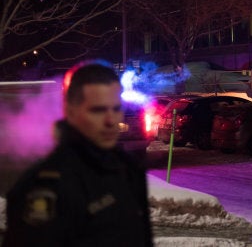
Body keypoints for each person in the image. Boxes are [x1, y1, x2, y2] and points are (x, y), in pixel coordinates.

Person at [2, 60, 154, 246]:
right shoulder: (44, 187)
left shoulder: (129, 168)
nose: (110, 120)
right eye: (97, 110)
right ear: (70, 111)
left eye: (116, 109)